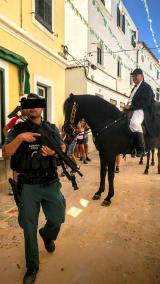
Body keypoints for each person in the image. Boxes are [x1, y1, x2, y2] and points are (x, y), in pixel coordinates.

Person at [2, 93, 66, 284]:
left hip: (50, 182)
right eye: (29, 105)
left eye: (36, 104)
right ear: (25, 108)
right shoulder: (16, 130)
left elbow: (62, 147)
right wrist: (21, 137)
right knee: (29, 228)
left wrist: (54, 151)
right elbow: (6, 153)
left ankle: (47, 234)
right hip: (28, 186)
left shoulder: (51, 128)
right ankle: (32, 267)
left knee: (57, 217)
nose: (33, 108)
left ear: (41, 107)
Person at [124, 68, 155, 157]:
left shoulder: (146, 87)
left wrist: (130, 107)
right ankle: (131, 147)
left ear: (142, 76)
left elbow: (146, 102)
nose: (134, 77)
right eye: (133, 76)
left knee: (134, 123)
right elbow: (131, 100)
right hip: (130, 109)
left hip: (141, 110)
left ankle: (142, 149)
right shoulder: (134, 88)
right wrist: (127, 107)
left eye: (136, 76)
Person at [3, 108, 28, 195]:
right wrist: (10, 140)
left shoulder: (31, 119)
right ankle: (15, 187)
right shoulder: (16, 119)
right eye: (23, 108)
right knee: (16, 167)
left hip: (28, 146)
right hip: (17, 146)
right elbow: (5, 129)